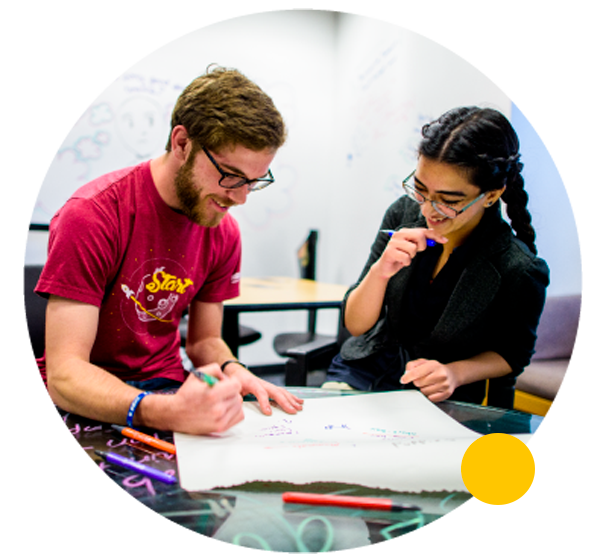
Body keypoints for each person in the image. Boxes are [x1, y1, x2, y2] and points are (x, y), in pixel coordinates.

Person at [35, 66, 304, 435]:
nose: (240, 198)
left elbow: (205, 341)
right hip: (94, 400)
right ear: (181, 143)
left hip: (168, 388)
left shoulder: (222, 230)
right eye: (231, 175)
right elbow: (66, 375)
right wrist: (163, 411)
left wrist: (236, 372)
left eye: (255, 182)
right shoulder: (92, 215)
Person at [324, 106, 550, 408]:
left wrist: (454, 373)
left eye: (449, 201)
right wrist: (381, 271)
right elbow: (355, 325)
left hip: (443, 393)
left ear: (492, 195)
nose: (428, 210)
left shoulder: (518, 268)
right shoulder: (402, 214)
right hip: (367, 369)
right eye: (420, 189)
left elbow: (513, 354)